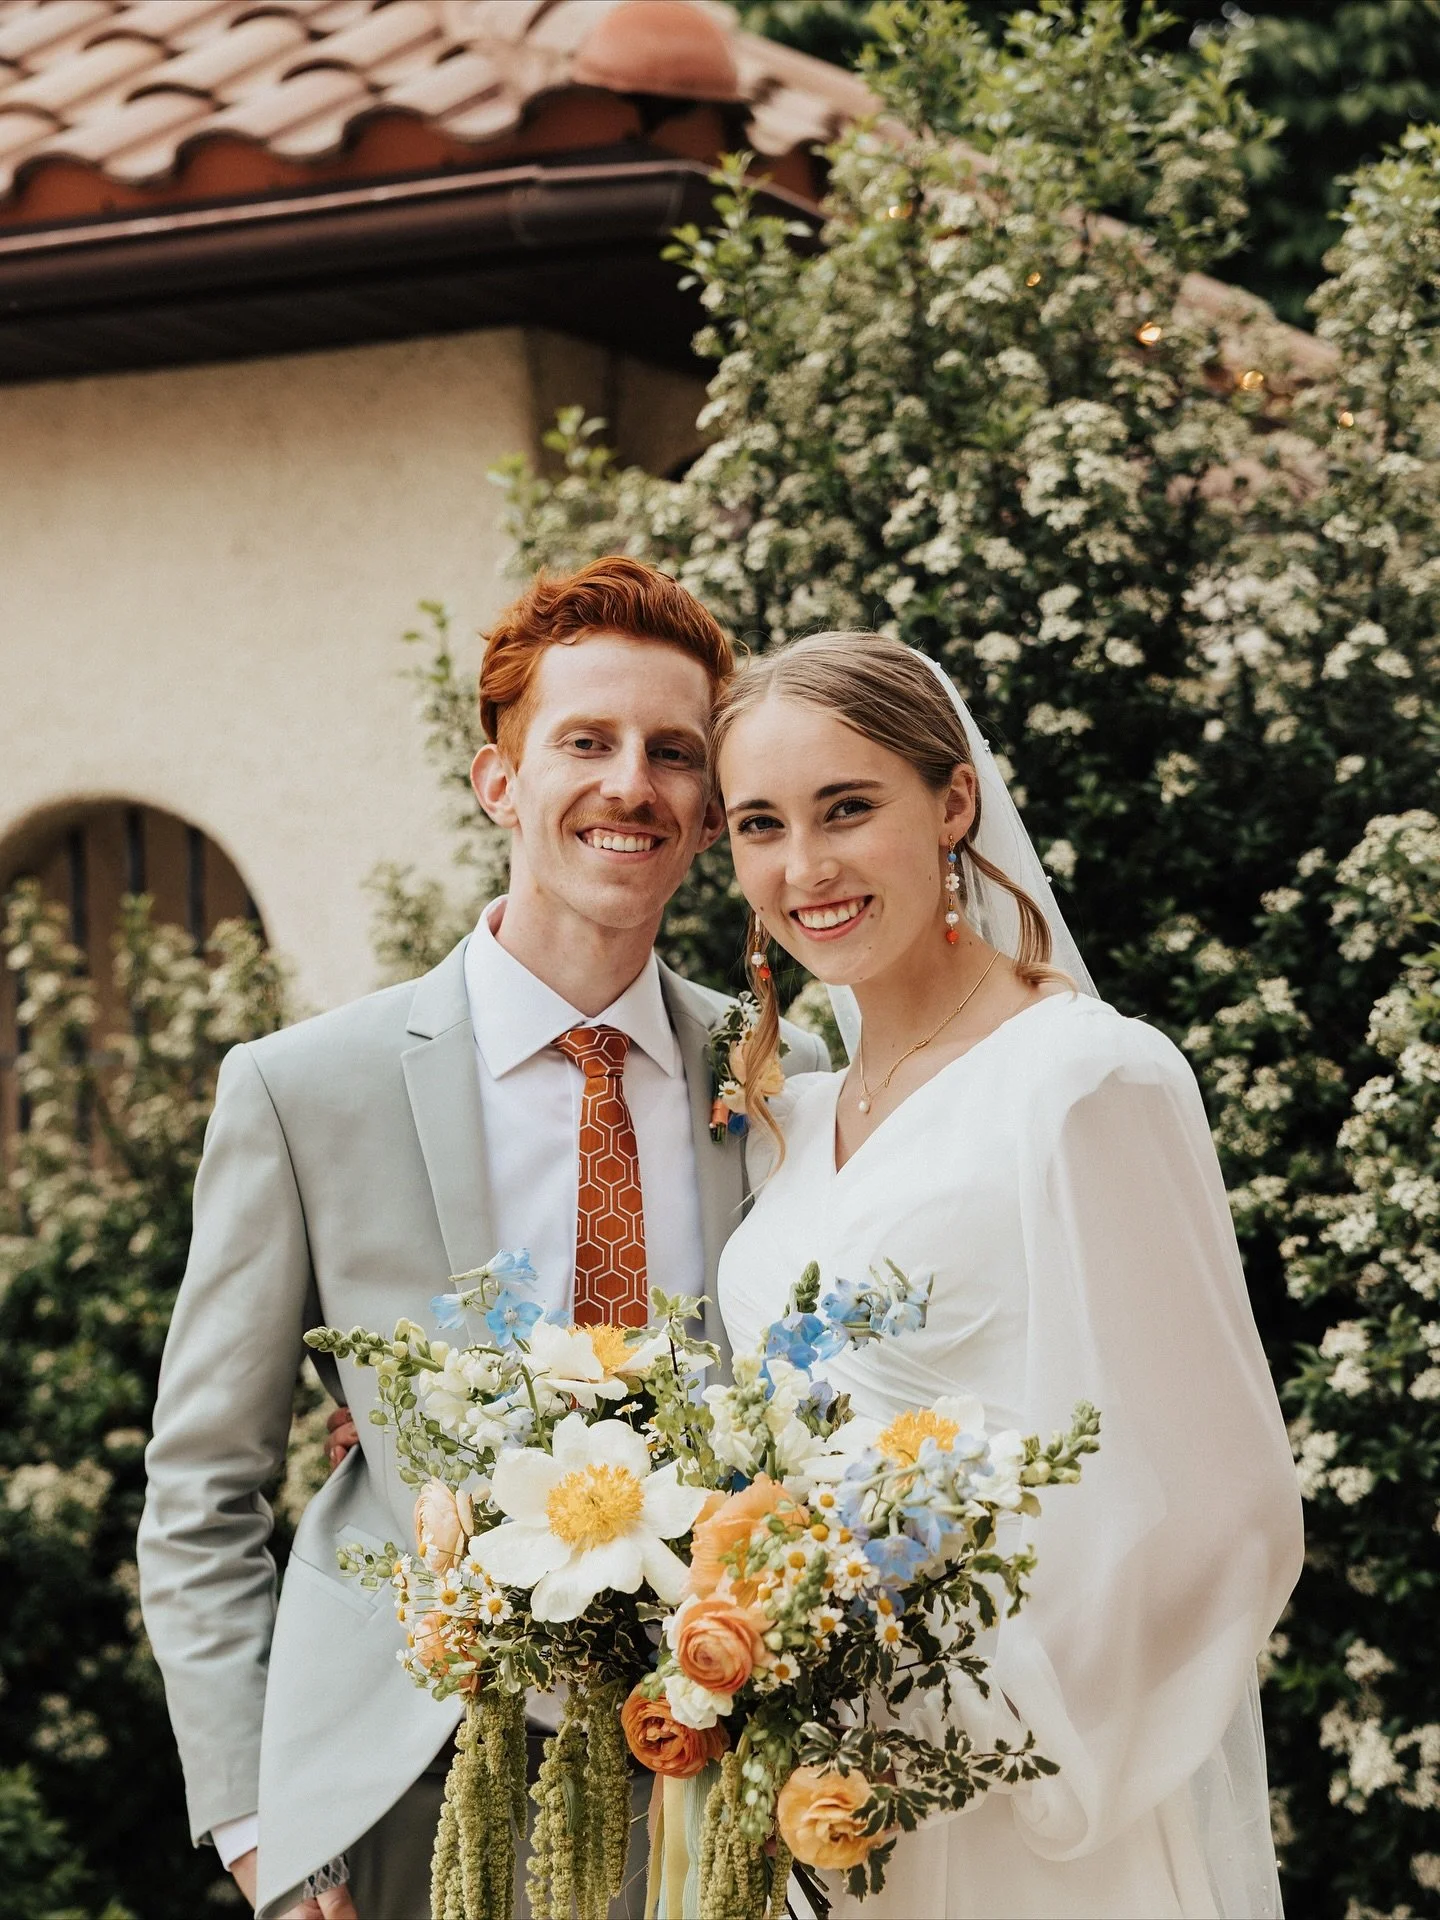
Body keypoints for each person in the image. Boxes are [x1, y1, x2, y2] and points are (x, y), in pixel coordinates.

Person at [136, 558, 829, 1920]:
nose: (631, 782)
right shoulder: (305, 1090)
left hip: (722, 1774)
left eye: (672, 752)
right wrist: (263, 1829)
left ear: (706, 811)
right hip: (407, 1788)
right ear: (499, 782)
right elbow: (201, 1492)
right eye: (587, 741)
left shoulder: (784, 1078)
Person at [710, 631, 1304, 1920]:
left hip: (1025, 1799)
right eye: (760, 825)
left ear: (954, 802)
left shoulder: (1086, 1078)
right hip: (809, 1787)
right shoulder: (794, 1114)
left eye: (847, 808)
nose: (803, 868)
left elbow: (1225, 1503)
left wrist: (977, 1719)